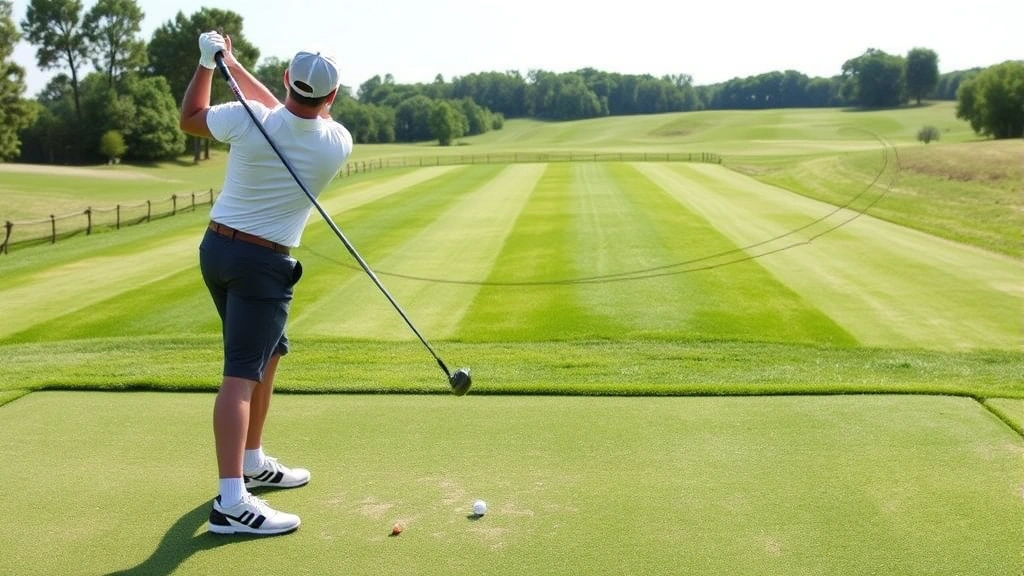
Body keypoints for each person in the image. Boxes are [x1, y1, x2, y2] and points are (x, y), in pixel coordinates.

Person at [179, 31, 353, 536]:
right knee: (241, 373)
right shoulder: (336, 142)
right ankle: (232, 501)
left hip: (218, 250)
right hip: (263, 265)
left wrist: (213, 65)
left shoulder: (247, 120)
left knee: (268, 354)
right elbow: (288, 111)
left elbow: (191, 119)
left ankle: (253, 461)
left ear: (285, 78)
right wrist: (230, 65)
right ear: (333, 97)